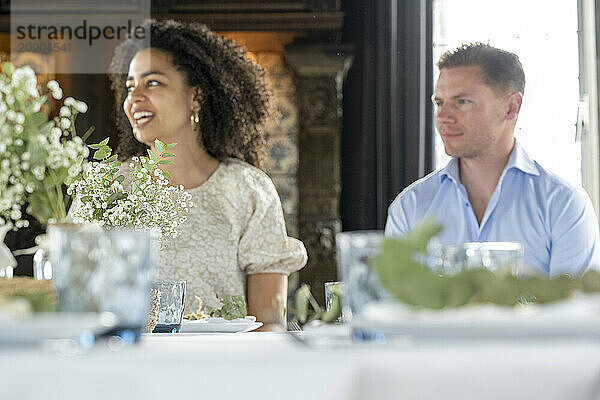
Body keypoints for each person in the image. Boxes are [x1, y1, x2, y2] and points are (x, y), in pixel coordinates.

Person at [108, 19, 307, 331]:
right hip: (125, 369)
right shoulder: (107, 188)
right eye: (130, 86)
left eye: (153, 83)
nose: (134, 98)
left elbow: (269, 325)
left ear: (195, 97)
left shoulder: (249, 190)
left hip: (224, 372)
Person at [385, 42, 600, 276]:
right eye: (439, 103)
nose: (443, 117)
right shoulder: (409, 208)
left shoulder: (563, 206)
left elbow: (575, 310)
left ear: (511, 107)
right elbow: (393, 308)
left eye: (462, 101)